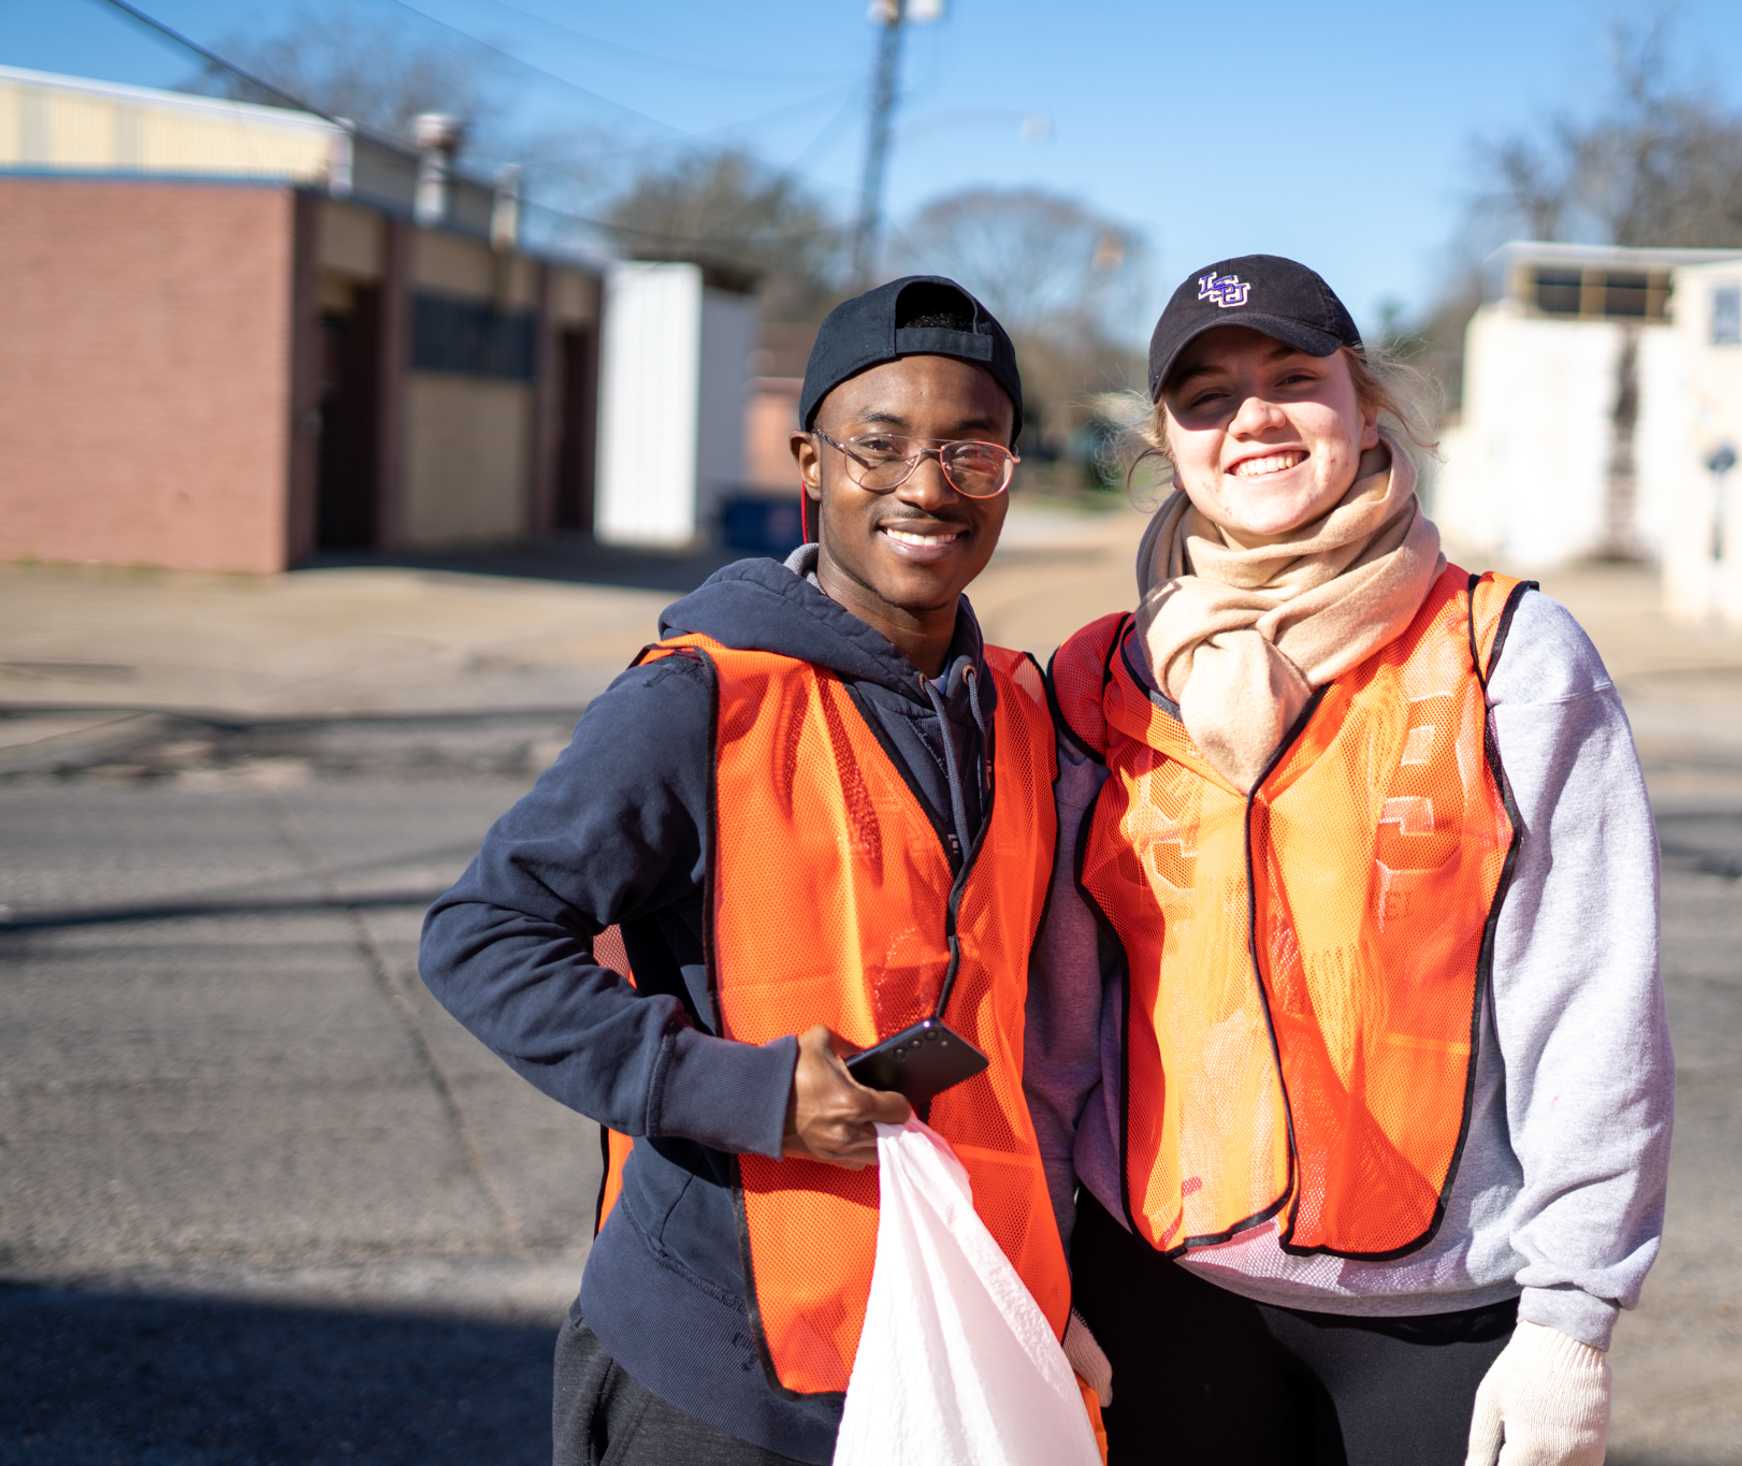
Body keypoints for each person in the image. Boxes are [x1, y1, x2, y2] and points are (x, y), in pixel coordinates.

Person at [419, 276, 1089, 1466]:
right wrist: (749, 1094)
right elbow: (480, 935)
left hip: (959, 1318)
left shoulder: (1024, 713)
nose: (926, 487)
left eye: (970, 452)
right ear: (812, 463)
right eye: (878, 446)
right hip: (726, 1362)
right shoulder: (698, 696)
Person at [1025, 255, 1674, 1466]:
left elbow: (1589, 1003)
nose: (1252, 418)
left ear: (1365, 404)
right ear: (1166, 440)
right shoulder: (1094, 679)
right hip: (1159, 1294)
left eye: (1291, 378)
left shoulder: (1509, 654)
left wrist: (1569, 1324)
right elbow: (1057, 1022)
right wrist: (1037, 1254)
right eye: (1207, 397)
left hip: (1438, 1318)